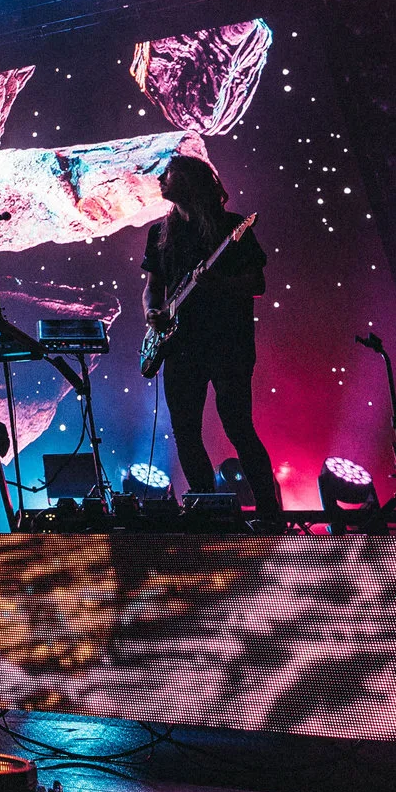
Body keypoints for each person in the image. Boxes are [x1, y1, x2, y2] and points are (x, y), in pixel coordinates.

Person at [143, 153, 282, 523]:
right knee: (185, 430)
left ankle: (269, 512)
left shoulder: (233, 227)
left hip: (227, 343)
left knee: (237, 423)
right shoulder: (159, 233)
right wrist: (151, 312)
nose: (160, 179)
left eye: (168, 174)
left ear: (189, 181)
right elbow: (153, 288)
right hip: (179, 345)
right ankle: (208, 511)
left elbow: (258, 283)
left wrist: (218, 284)